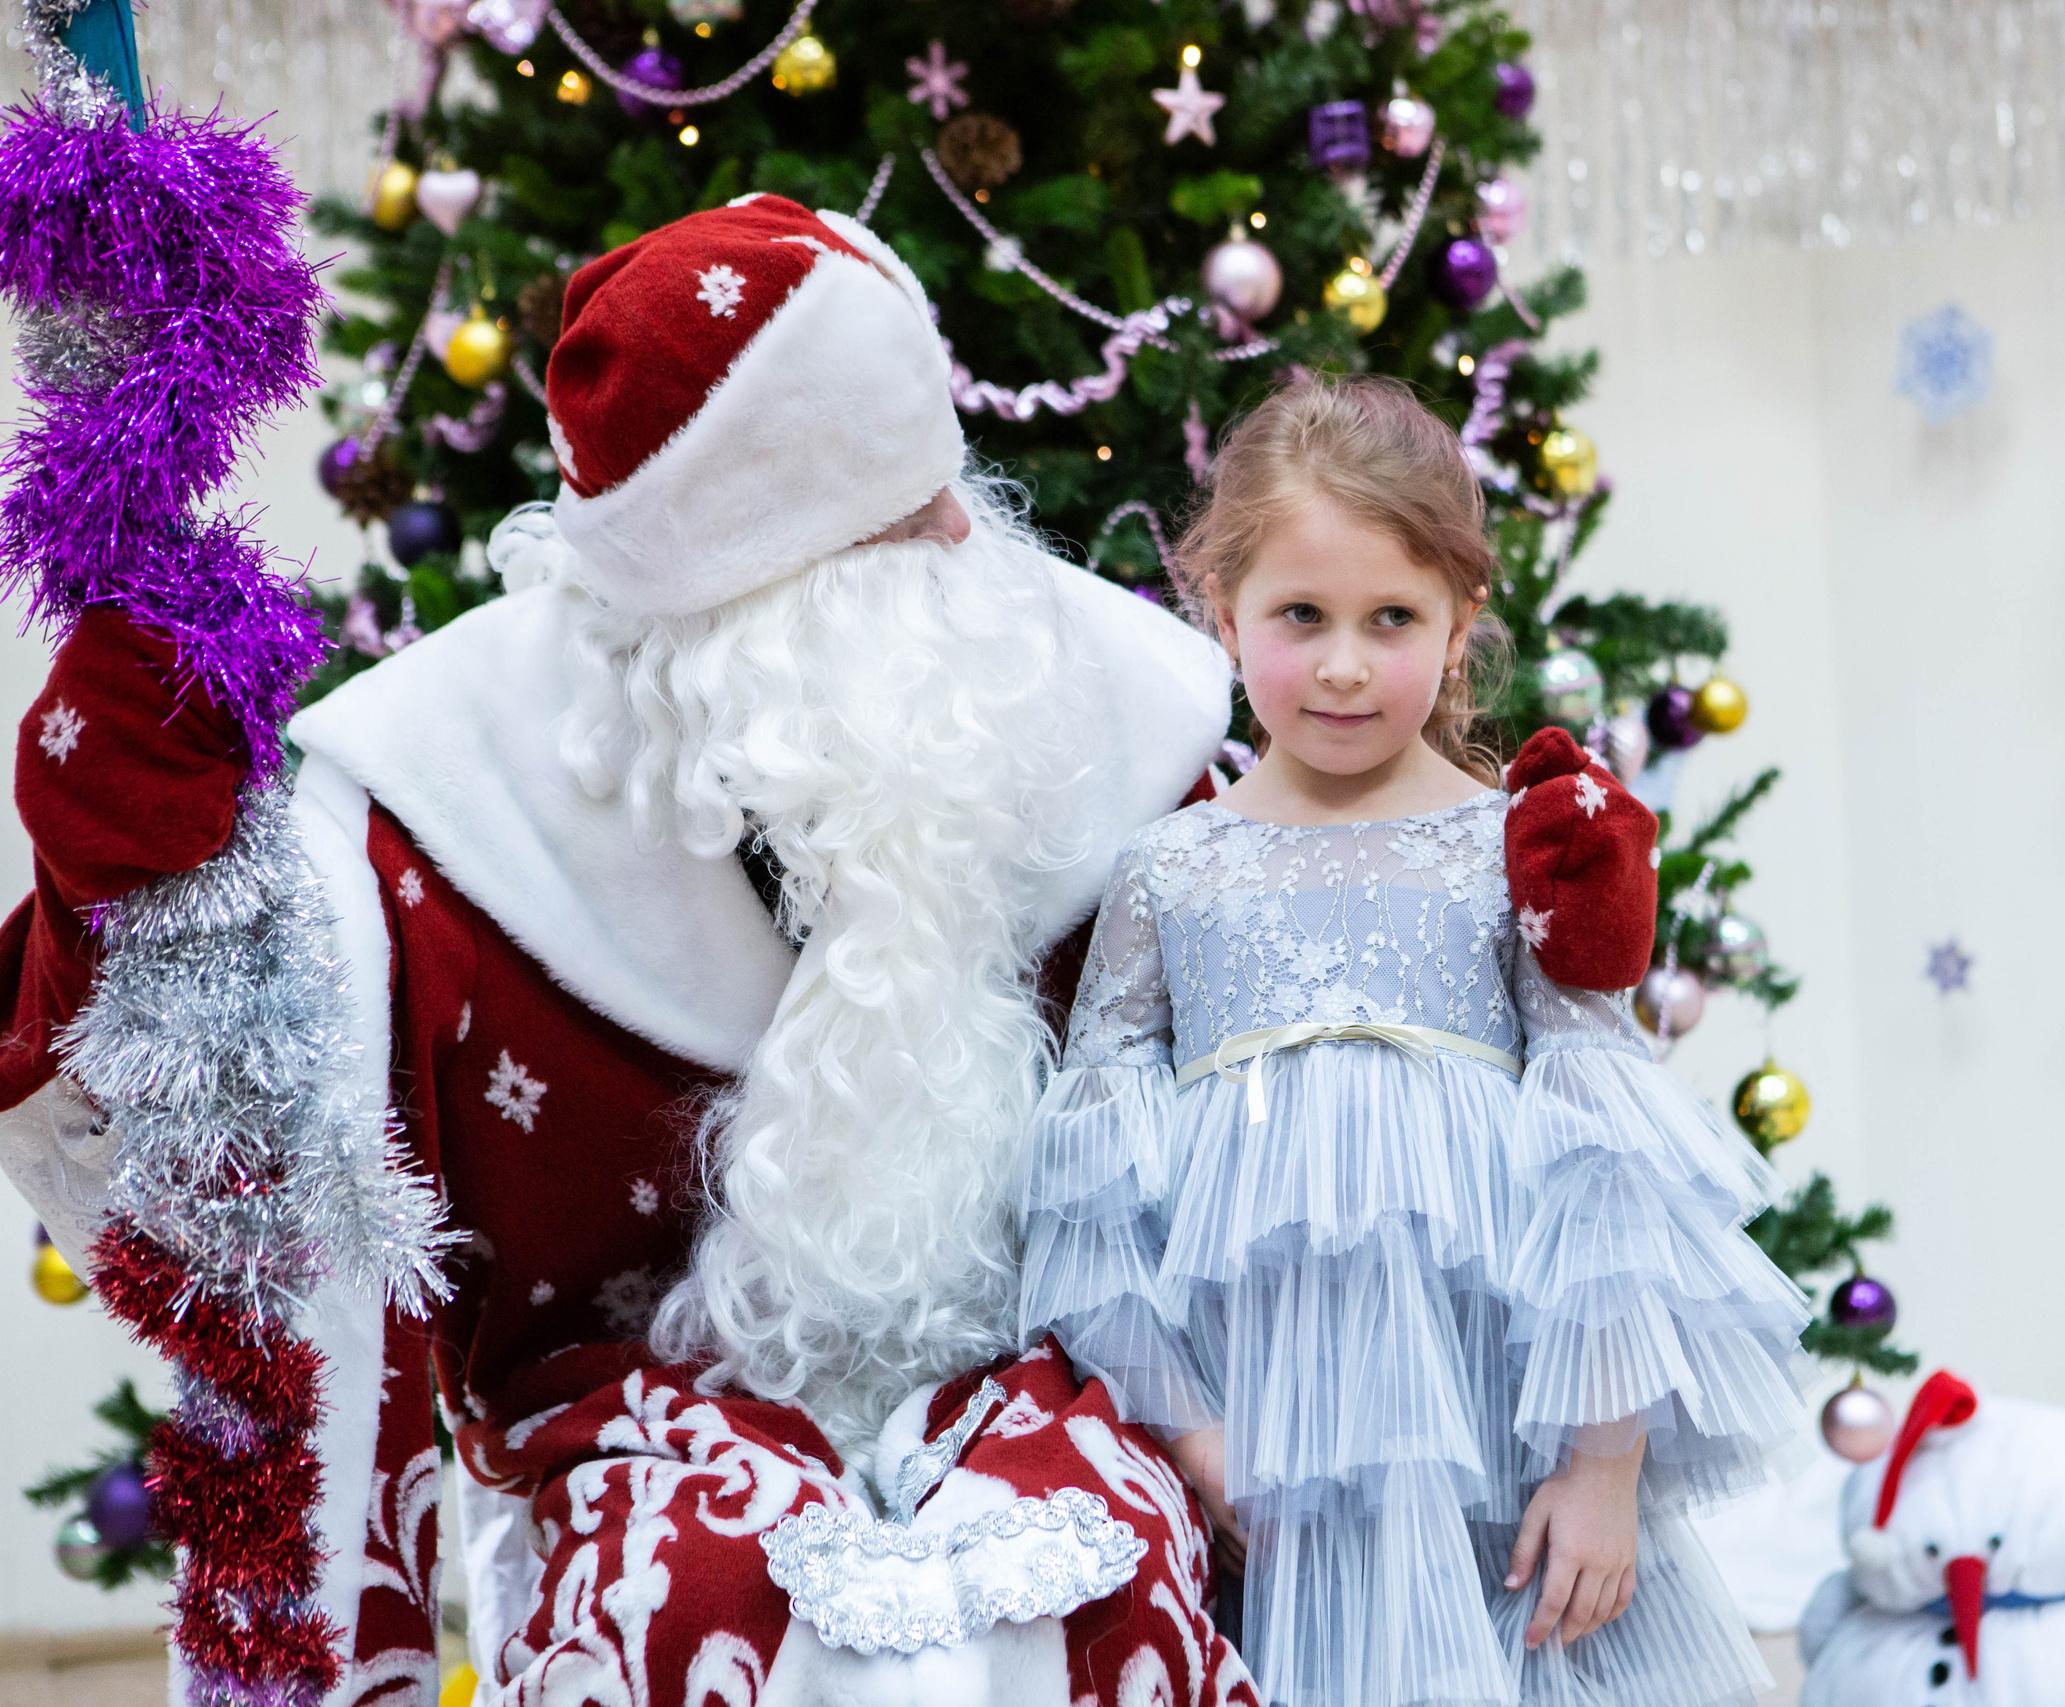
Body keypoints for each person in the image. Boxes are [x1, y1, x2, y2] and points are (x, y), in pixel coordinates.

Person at [0, 196, 1256, 1707]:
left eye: (947, 505)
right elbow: (214, 1166)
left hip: (1044, 1400)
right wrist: (122, 891)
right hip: (633, 1434)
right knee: (706, 1611)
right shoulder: (439, 808)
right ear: (763, 601)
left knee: (1103, 1586)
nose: (965, 543)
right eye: (908, 531)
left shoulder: (1105, 703)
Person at [1016, 374, 1817, 1707]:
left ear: (1460, 631)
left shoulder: (1513, 848)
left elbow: (1605, 1167)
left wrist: (1604, 1467)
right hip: (1264, 1440)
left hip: (1496, 1421)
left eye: (1392, 618)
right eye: (1300, 617)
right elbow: (1093, 1192)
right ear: (1222, 616)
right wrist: (1196, 1437)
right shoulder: (1168, 871)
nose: (1342, 662)